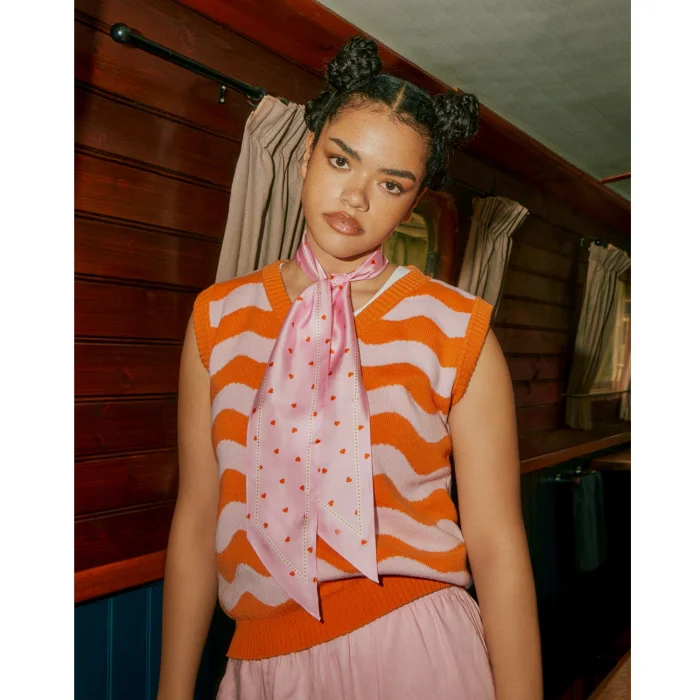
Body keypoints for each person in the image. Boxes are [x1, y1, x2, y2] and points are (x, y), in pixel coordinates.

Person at [157, 36, 542, 700]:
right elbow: (197, 519)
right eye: (341, 160)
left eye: (391, 183)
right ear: (307, 153)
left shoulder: (457, 329)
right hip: (262, 662)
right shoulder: (217, 318)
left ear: (413, 202)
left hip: (415, 650)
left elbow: (498, 544)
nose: (357, 197)